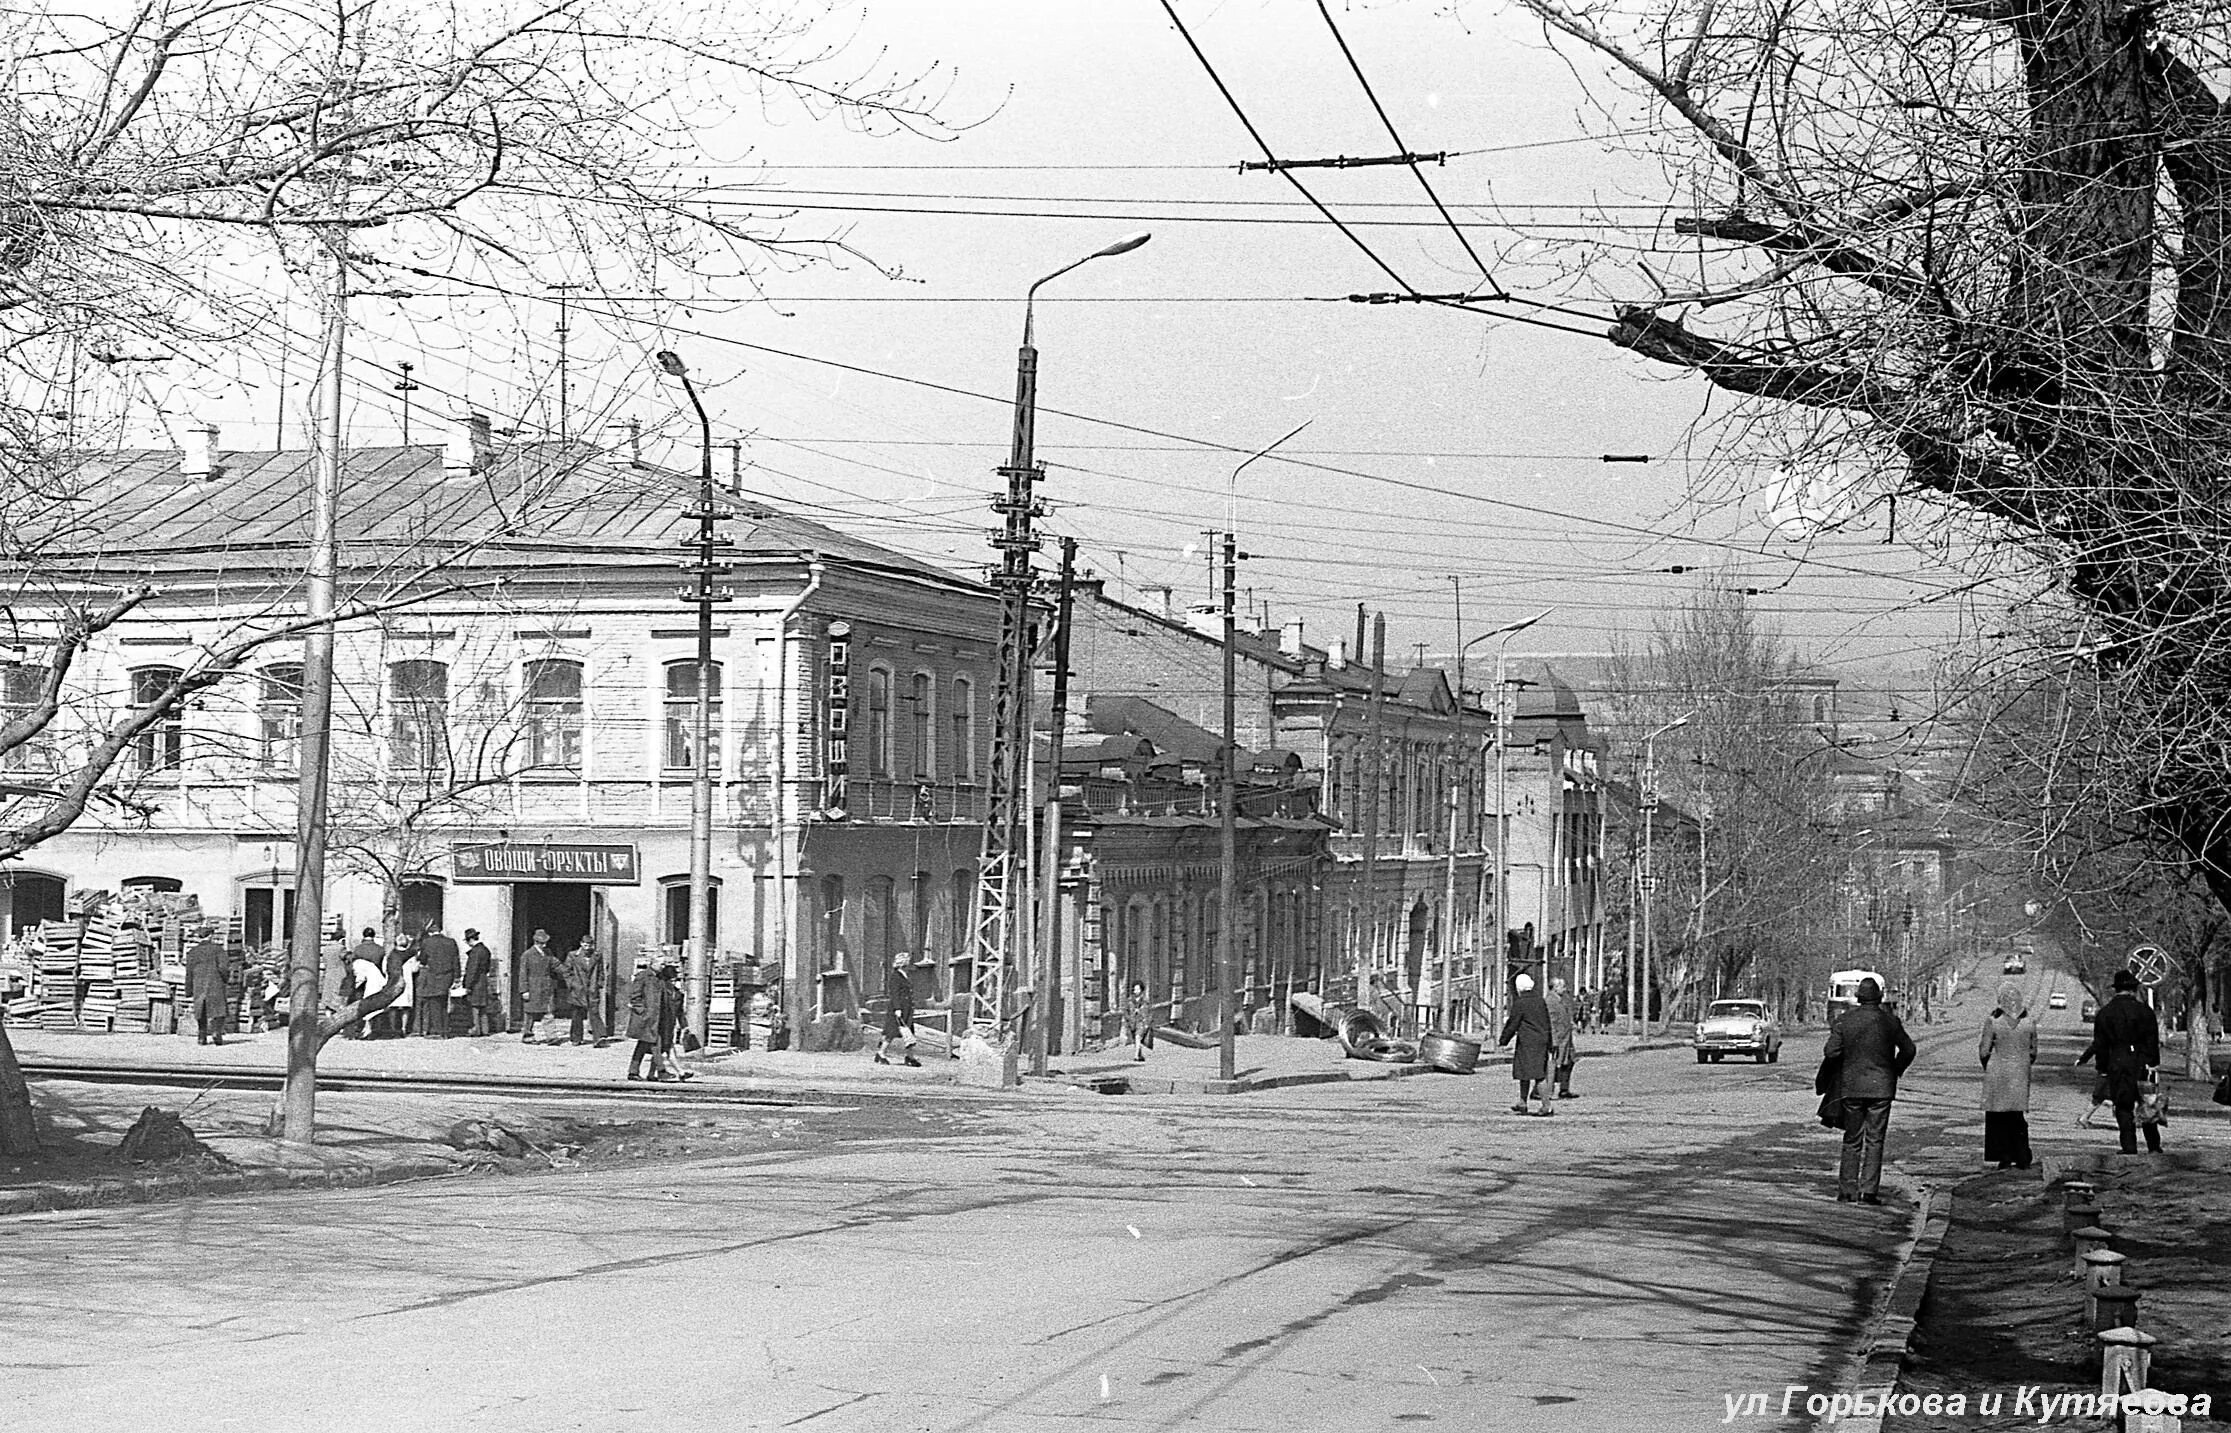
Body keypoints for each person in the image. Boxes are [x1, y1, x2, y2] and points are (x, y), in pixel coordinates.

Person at [1822, 976, 1918, 1204]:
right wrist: (1895, 1069)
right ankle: (1869, 1191)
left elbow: (1831, 1052)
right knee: (1876, 1139)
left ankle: (1847, 1190)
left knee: (1852, 1138)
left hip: (1852, 1087)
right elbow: (1909, 1049)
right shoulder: (1889, 1022)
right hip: (1881, 1088)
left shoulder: (1845, 1021)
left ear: (1858, 997)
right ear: (1880, 997)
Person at [2077, 969, 2163, 1155]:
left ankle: (2129, 1147)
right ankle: (2154, 1146)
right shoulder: (2145, 1012)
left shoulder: (2105, 1013)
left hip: (2117, 1064)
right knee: (2147, 1105)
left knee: (2123, 1107)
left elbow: (2100, 1044)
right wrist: (2153, 1062)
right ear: (2133, 990)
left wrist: (2102, 1067)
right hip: (2142, 1065)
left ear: (2116, 990)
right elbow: (2152, 1040)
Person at [1978, 979, 2037, 1169]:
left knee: (1998, 1117)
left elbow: (1984, 1051)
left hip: (1998, 1074)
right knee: (2017, 1116)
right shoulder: (2029, 1023)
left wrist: (1989, 1066)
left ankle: (2004, 1156)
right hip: (2020, 1073)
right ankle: (2022, 1155)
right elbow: (2033, 1051)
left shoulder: (1993, 1022)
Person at [1499, 973, 1554, 1116]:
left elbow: (1513, 1023)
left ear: (1519, 988)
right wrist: (1550, 1042)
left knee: (1536, 1074)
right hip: (1541, 1041)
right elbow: (1547, 1022)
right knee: (1527, 1072)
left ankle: (1546, 1106)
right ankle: (1522, 1102)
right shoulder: (1540, 1001)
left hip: (1528, 1042)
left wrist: (1503, 1040)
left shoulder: (1521, 1003)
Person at [183, 925, 229, 1046]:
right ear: (211, 936)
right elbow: (223, 967)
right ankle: (216, 1032)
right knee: (219, 1010)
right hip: (215, 982)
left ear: (199, 937)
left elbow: (189, 973)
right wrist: (225, 979)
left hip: (199, 984)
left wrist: (188, 989)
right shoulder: (218, 950)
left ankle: (201, 1036)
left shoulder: (192, 952)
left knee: (200, 1010)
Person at [874, 951, 921, 1067]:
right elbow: (894, 994)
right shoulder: (896, 976)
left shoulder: (905, 975)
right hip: (898, 1010)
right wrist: (897, 1008)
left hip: (907, 1009)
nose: (909, 964)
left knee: (909, 1033)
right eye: (907, 962)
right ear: (902, 963)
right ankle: (881, 1053)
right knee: (891, 1033)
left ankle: (910, 1057)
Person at [415, 923, 461, 1039]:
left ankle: (438, 1031)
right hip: (447, 976)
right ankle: (445, 1030)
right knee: (444, 1003)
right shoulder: (451, 942)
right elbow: (456, 960)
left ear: (430, 932)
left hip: (433, 975)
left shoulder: (427, 942)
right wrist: (457, 977)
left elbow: (423, 960)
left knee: (434, 1003)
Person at [520, 928, 559, 1044]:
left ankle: (551, 1036)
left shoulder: (548, 953)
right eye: (542, 943)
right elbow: (523, 974)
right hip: (532, 987)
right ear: (535, 942)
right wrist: (524, 990)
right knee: (530, 1013)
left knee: (548, 1012)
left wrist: (568, 971)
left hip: (545, 987)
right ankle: (528, 1036)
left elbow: (555, 964)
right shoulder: (527, 955)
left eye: (545, 942)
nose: (544, 945)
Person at [1548, 976, 1579, 1100]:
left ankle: (1564, 1089)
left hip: (1566, 1038)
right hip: (1559, 1039)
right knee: (1553, 1065)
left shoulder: (1561, 999)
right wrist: (1553, 1039)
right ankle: (1541, 1091)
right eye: (1563, 986)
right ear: (1555, 988)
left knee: (1569, 1061)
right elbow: (1551, 1021)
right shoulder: (1551, 1001)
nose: (1565, 989)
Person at [461, 929, 496, 1036]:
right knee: (483, 1007)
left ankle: (475, 1029)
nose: (467, 944)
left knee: (474, 1006)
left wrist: (468, 985)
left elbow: (472, 970)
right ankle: (485, 1030)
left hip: (476, 981)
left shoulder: (475, 952)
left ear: (471, 939)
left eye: (467, 941)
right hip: (483, 980)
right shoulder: (485, 950)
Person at [1122, 980, 1153, 1063]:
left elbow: (1150, 1012)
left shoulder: (1145, 1001)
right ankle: (1140, 1055)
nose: (1136, 991)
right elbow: (1125, 1011)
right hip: (1132, 1022)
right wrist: (1128, 1019)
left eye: (1138, 989)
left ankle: (1136, 1056)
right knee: (1136, 1039)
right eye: (1135, 990)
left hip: (1142, 1022)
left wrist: (1147, 1023)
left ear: (1141, 990)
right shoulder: (1129, 1001)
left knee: (1138, 1037)